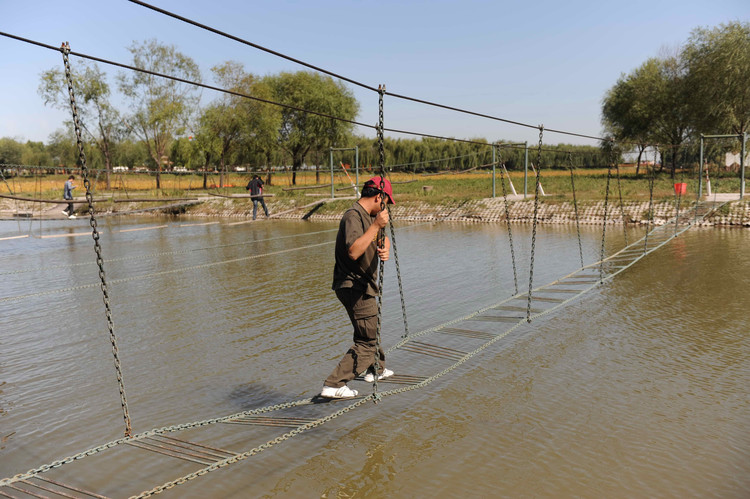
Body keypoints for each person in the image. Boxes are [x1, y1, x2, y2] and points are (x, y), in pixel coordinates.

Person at [320, 176, 395, 399]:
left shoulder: (367, 216)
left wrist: (385, 247)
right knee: (366, 341)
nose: (386, 209)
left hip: (362, 285)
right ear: (378, 197)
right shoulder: (353, 216)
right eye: (386, 203)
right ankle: (334, 384)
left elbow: (382, 239)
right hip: (353, 285)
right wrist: (376, 225)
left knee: (371, 326)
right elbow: (354, 250)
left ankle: (375, 370)